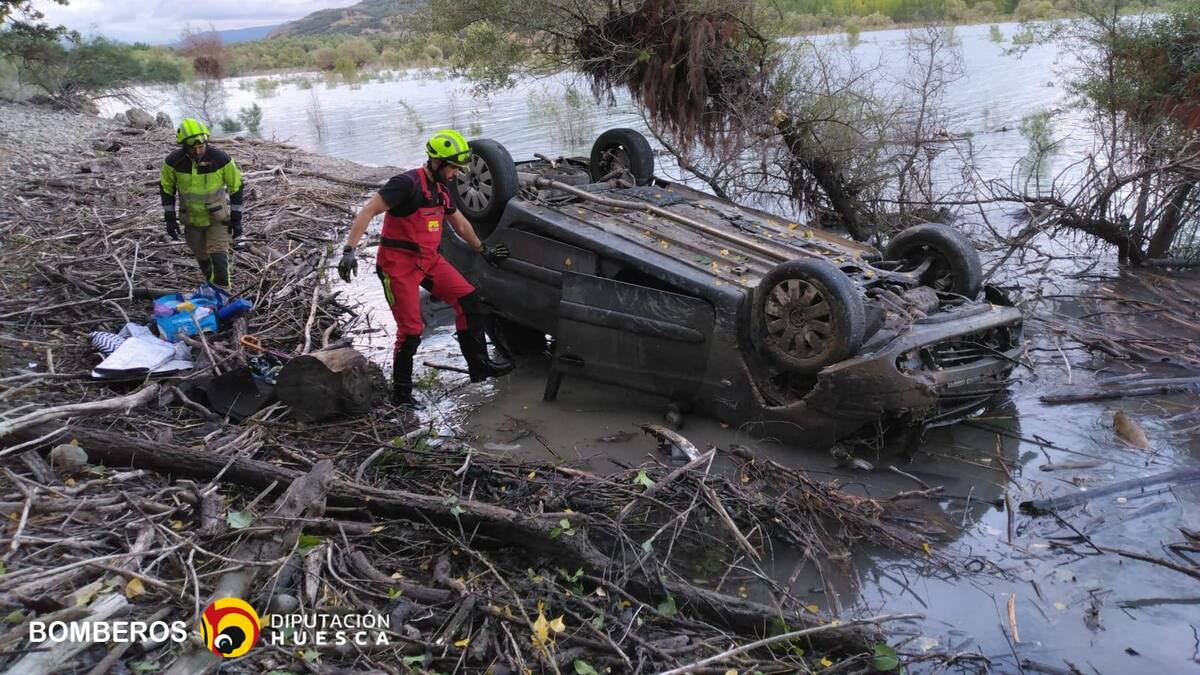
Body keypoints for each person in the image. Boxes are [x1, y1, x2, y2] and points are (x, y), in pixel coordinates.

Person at [337, 129, 513, 408]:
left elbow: (460, 224)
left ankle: (479, 366)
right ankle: (402, 397)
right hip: (398, 267)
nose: (457, 174)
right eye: (453, 168)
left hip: (429, 261)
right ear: (437, 162)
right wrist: (349, 250)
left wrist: (483, 249)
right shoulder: (405, 184)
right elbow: (368, 211)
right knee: (410, 331)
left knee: (468, 298)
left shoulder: (441, 191)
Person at [160, 118, 244, 291]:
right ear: (184, 146)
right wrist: (170, 218)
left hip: (217, 219)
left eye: (201, 146)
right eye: (193, 148)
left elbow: (236, 187)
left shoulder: (221, 160)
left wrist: (236, 218)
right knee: (203, 260)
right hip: (191, 220)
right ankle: (212, 288)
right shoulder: (173, 162)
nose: (198, 151)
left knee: (219, 260)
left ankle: (223, 296)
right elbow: (167, 189)